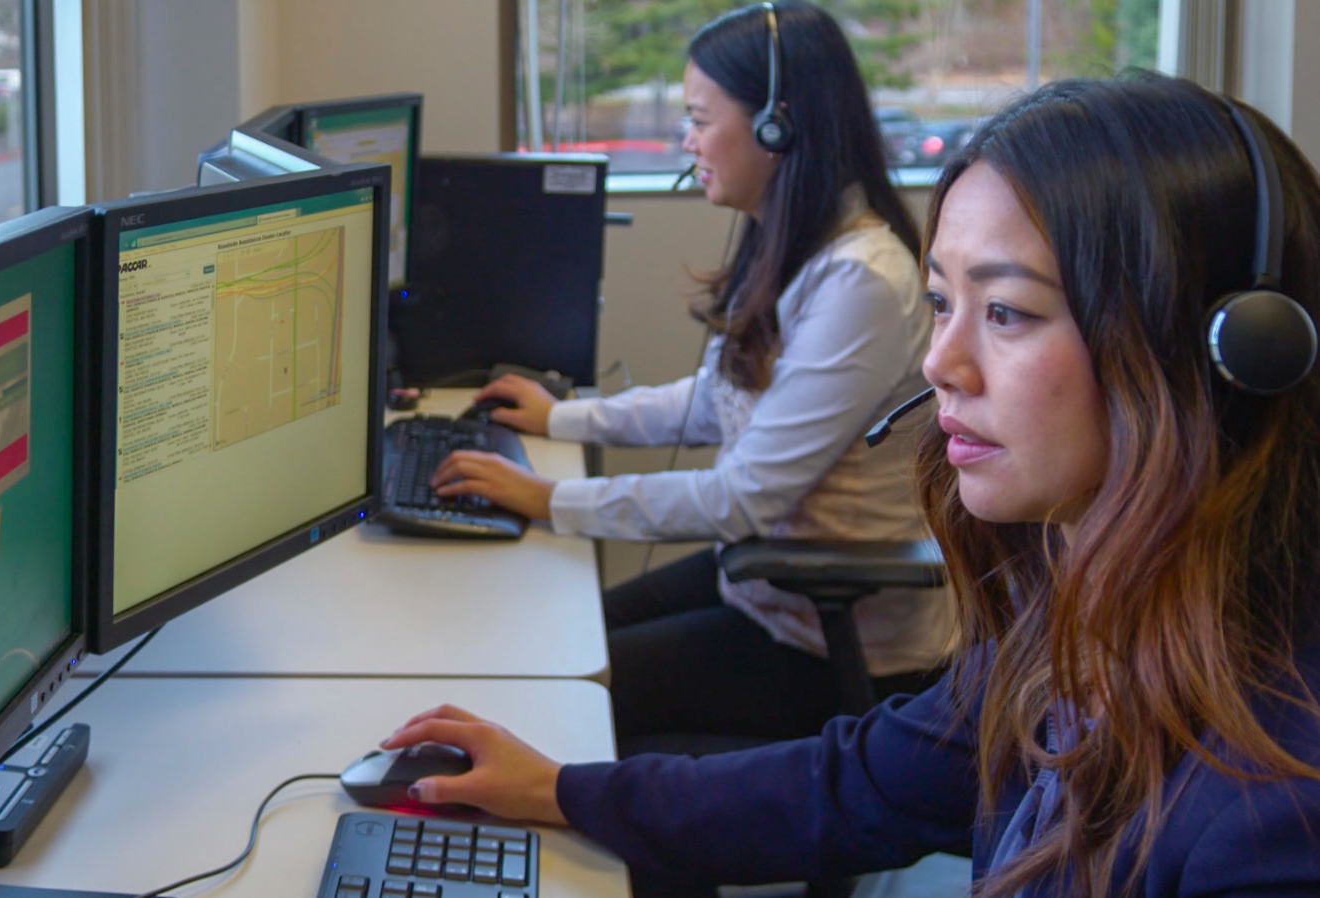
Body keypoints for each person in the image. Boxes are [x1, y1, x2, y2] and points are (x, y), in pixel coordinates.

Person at [387, 74, 1320, 897]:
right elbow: (859, 784)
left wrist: (550, 496)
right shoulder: (1073, 622)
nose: (940, 362)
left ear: (1231, 352)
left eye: (1006, 311)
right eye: (945, 302)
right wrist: (561, 790)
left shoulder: (1277, 815)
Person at [431, 0, 954, 751]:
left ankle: (673, 858)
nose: (688, 140)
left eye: (701, 119)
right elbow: (718, 400)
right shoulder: (797, 240)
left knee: (566, 699)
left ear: (779, 126)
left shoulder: (861, 281)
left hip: (835, 644)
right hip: (770, 590)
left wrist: (546, 497)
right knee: (552, 645)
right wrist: (562, 418)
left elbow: (742, 496)